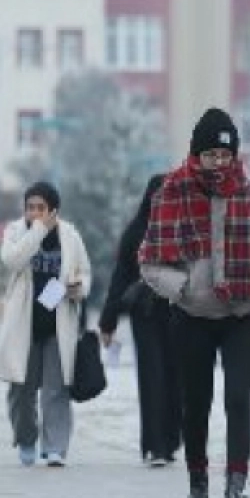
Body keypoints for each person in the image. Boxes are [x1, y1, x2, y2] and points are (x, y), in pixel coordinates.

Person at [139, 108, 250, 498]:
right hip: (193, 317)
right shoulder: (170, 196)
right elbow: (148, 262)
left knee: (238, 399)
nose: (219, 162)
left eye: (225, 154)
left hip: (245, 312)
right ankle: (198, 489)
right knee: (196, 405)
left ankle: (235, 493)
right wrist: (181, 286)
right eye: (210, 154)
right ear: (196, 154)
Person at [0, 180, 92, 468]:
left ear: (54, 210)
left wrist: (79, 287)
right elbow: (12, 260)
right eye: (30, 207)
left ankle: (55, 447)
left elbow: (84, 272)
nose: (34, 212)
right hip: (24, 323)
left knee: (56, 389)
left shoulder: (70, 235)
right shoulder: (16, 232)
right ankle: (25, 439)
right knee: (21, 388)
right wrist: (37, 230)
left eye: (41, 208)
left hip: (58, 323)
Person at [98, 174, 180, 467]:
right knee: (152, 377)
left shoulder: (185, 230)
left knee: (177, 378)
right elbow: (120, 278)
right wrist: (108, 321)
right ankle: (156, 446)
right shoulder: (136, 231)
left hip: (179, 314)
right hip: (144, 314)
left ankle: (171, 441)